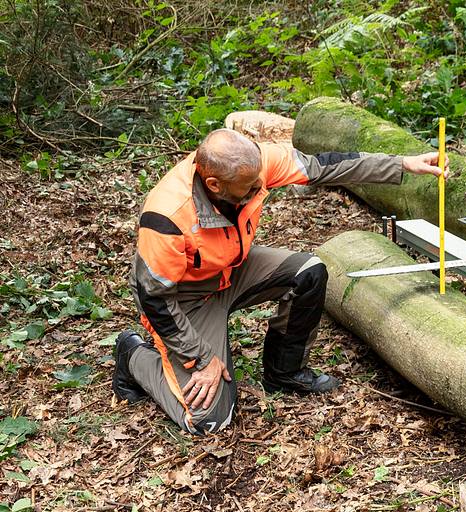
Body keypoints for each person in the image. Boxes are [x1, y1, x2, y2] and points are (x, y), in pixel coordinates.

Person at [112, 128, 446, 436]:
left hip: (230, 270)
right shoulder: (167, 216)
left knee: (309, 271)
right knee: (209, 419)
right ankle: (133, 355)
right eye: (251, 187)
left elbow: (322, 167)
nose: (262, 186)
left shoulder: (254, 163)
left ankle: (284, 373)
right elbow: (155, 298)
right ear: (215, 185)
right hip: (182, 301)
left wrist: (401, 164)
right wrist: (200, 358)